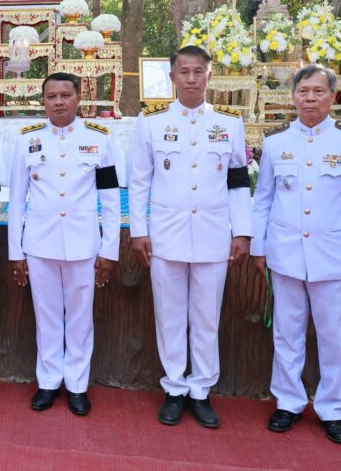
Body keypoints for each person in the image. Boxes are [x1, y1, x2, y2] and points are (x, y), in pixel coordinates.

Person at [251, 64, 341, 445]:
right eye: (303, 91)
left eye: (318, 91)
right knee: (287, 334)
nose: (310, 98)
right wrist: (260, 247)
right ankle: (288, 402)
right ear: (293, 96)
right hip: (286, 255)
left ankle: (333, 408)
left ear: (333, 96)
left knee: (334, 337)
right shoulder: (276, 142)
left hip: (333, 257)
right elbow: (263, 200)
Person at [128, 45, 252, 428]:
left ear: (209, 76)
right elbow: (139, 181)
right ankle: (174, 388)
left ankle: (201, 390)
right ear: (172, 77)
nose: (192, 79)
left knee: (206, 317)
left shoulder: (229, 123)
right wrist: (138, 230)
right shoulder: (151, 122)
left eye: (199, 71)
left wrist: (242, 231)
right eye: (184, 72)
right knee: (169, 315)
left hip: (213, 236)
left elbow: (238, 181)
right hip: (166, 236)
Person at [7, 72, 120, 416]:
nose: (58, 102)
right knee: (47, 316)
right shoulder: (27, 140)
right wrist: (15, 251)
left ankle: (77, 385)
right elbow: (16, 199)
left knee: (81, 318)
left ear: (78, 99)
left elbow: (111, 200)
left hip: (83, 244)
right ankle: (48, 381)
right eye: (51, 96)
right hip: (39, 245)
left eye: (65, 95)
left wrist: (109, 250)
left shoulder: (99, 139)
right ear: (43, 101)